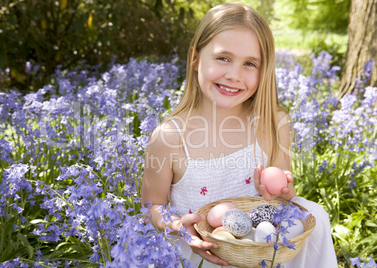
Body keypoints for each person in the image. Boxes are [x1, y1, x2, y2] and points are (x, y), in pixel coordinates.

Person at [141, 2, 338, 267]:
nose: (234, 75)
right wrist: (175, 224)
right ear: (196, 57)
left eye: (249, 63)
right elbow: (151, 207)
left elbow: (281, 197)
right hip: (201, 252)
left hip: (258, 250)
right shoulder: (169, 138)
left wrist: (282, 194)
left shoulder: (272, 122)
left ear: (264, 69)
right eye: (223, 58)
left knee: (315, 213)